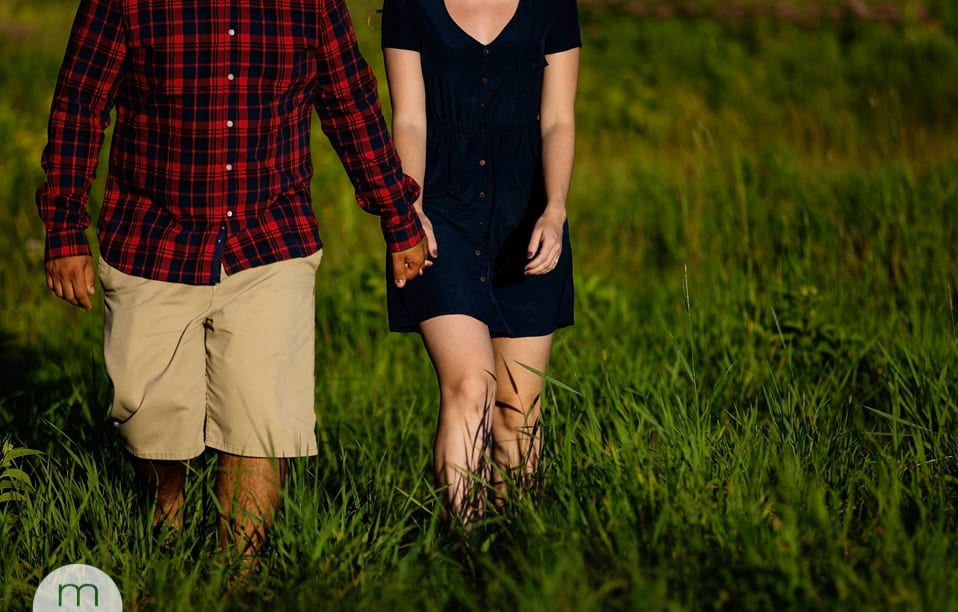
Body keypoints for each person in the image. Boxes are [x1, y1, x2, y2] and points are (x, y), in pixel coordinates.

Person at [37, 0, 429, 556]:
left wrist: (396, 213)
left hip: (271, 237)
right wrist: (64, 227)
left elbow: (350, 103)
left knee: (259, 420)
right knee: (150, 425)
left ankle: (238, 580)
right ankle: (166, 530)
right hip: (152, 236)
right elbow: (80, 103)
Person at [380, 0, 580, 520]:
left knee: (517, 410)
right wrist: (411, 208)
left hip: (527, 216)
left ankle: (512, 550)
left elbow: (559, 120)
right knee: (471, 385)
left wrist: (555, 210)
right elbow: (409, 120)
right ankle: (463, 547)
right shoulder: (409, 6)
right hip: (440, 215)